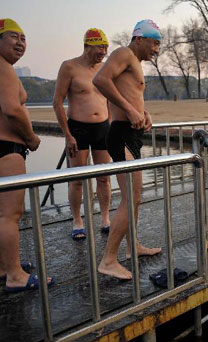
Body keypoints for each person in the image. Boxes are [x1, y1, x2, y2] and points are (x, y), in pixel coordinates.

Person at [93, 20, 162, 279]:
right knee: (130, 198)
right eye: (155, 42)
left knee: (136, 197)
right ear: (139, 38)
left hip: (130, 133)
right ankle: (108, 259)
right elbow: (100, 79)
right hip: (121, 134)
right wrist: (131, 110)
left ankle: (133, 247)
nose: (156, 49)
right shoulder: (124, 53)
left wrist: (142, 111)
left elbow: (128, 94)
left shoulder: (134, 62)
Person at [0, 19, 53, 292]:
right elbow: (12, 109)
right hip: (7, 148)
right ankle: (15, 276)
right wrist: (31, 138)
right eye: (13, 37)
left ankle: (5, 266)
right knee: (10, 214)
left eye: (24, 37)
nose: (21, 42)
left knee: (1, 213)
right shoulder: (5, 68)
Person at [53, 28, 112, 241]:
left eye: (105, 47)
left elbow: (111, 99)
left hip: (102, 128)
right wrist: (67, 135)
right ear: (87, 46)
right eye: (99, 47)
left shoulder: (105, 69)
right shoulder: (69, 67)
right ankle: (77, 220)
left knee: (104, 177)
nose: (103, 51)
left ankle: (105, 218)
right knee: (77, 180)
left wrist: (111, 125)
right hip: (77, 129)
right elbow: (57, 102)